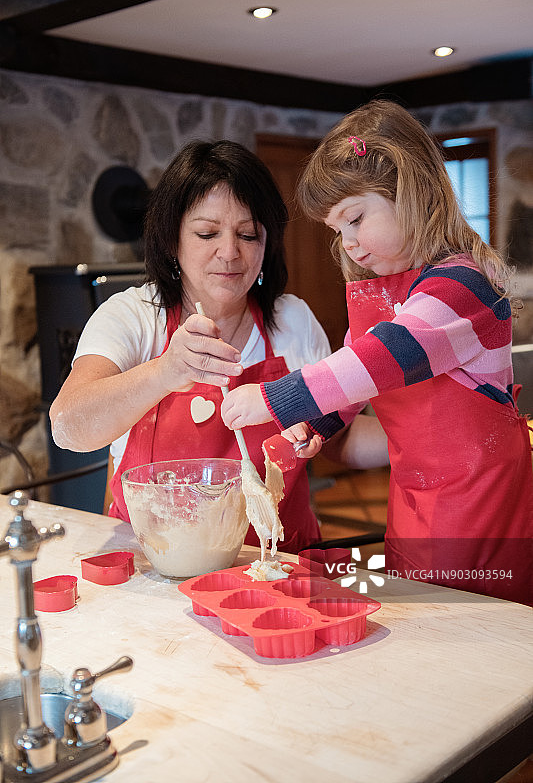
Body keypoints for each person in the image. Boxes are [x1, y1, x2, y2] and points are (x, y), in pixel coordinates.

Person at [221, 100, 533, 605]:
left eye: (356, 218)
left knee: (473, 622)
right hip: (415, 494)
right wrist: (318, 425)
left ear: (411, 190)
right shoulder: (389, 295)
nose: (349, 244)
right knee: (420, 609)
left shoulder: (463, 287)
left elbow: (378, 361)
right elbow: (353, 376)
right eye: (337, 231)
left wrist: (277, 399)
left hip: (481, 501)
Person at [50, 139, 339, 553]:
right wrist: (166, 371)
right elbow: (67, 427)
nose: (230, 252)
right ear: (172, 240)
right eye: (207, 233)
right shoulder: (133, 317)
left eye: (248, 234)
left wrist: (414, 429)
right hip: (158, 563)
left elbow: (342, 437)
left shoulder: (293, 320)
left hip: (275, 563)